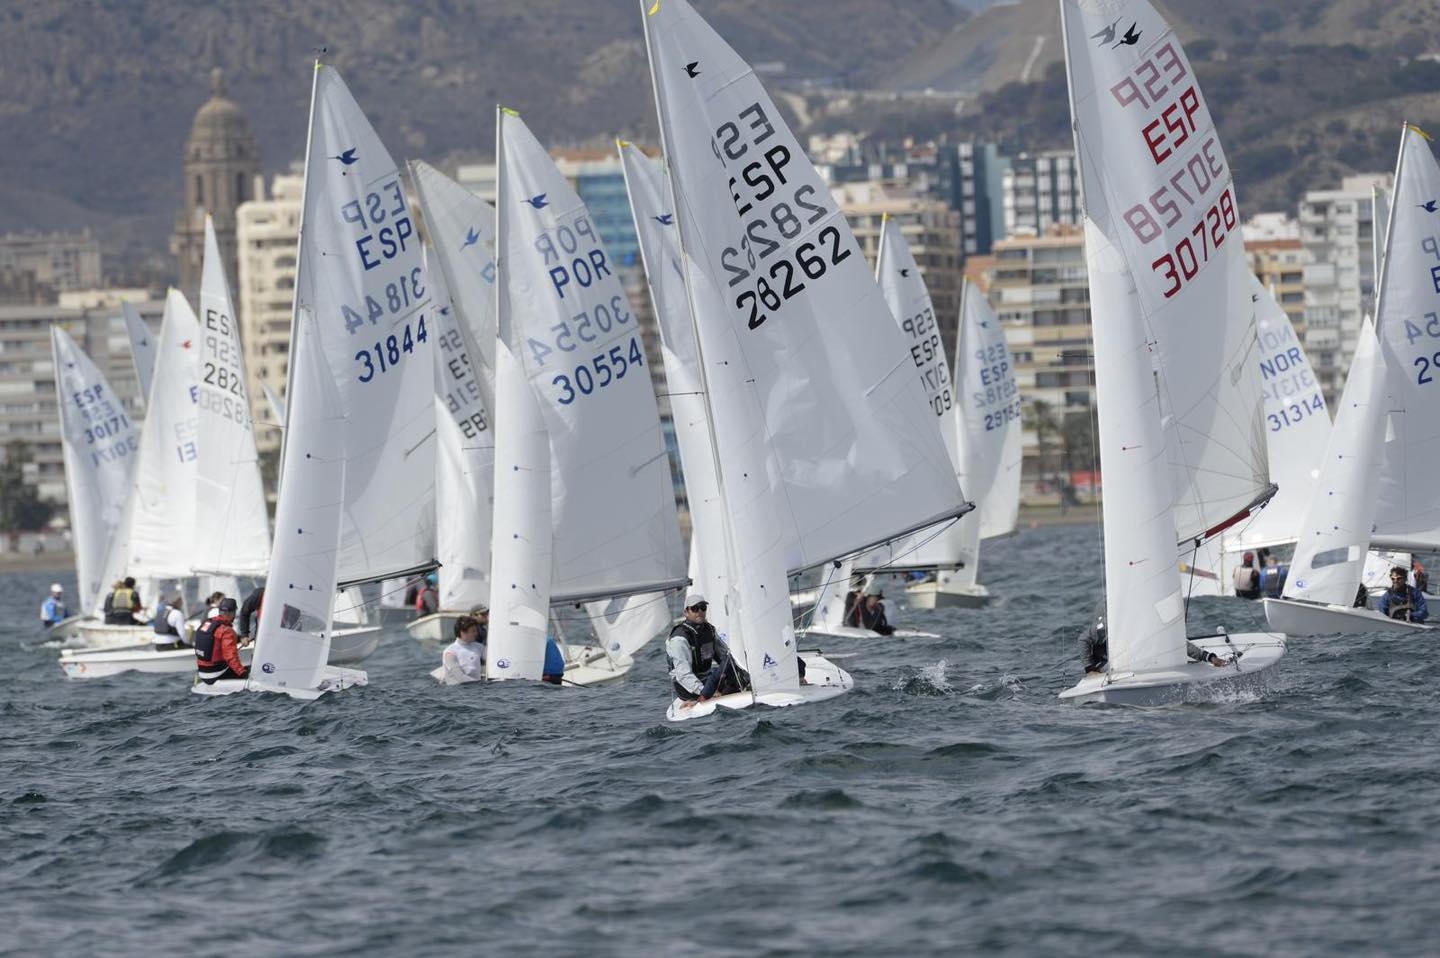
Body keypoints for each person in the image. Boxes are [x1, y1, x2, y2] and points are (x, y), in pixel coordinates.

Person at [667, 593, 750, 703]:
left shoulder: (709, 630)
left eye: (703, 607)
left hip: (707, 679)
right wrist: (704, 692)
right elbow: (683, 675)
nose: (700, 611)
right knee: (718, 672)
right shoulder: (679, 639)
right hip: (686, 687)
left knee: (732, 658)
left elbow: (725, 656)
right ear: (686, 612)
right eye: (695, 608)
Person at [195, 597, 247, 683]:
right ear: (231, 613)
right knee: (249, 669)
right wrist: (243, 674)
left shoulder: (207, 623)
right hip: (216, 674)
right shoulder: (227, 631)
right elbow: (230, 657)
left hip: (202, 674)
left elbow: (215, 640)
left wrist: (239, 638)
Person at [440, 614, 485, 684]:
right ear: (463, 632)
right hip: (457, 691)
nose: (476, 633)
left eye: (476, 630)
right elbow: (460, 677)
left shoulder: (479, 647)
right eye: (473, 631)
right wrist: (481, 684)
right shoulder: (450, 652)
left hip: (477, 688)